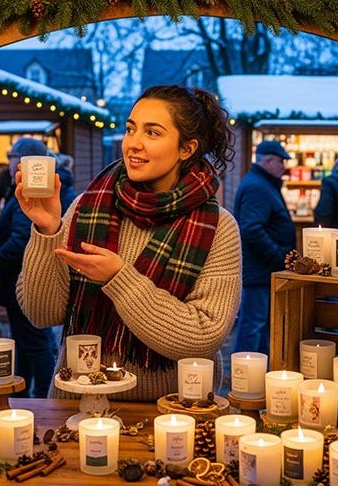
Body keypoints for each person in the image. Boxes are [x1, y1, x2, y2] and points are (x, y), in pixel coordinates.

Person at [15, 85, 242, 401]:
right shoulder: (87, 207)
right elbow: (42, 313)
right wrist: (47, 228)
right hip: (79, 407)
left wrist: (119, 278)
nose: (133, 143)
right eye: (130, 129)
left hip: (172, 413)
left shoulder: (217, 227)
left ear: (186, 149)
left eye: (152, 133)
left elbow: (202, 335)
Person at [0, 138, 77, 397]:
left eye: (12, 157)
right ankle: (24, 393)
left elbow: (19, 240)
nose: (10, 163)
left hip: (25, 279)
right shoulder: (41, 188)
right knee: (29, 342)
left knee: (35, 342)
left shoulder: (35, 191)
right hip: (26, 278)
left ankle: (41, 396)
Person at [232, 140, 296, 356]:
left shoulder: (262, 183)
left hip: (262, 269)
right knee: (254, 325)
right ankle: (244, 376)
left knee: (261, 324)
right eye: (281, 161)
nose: (283, 166)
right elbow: (251, 229)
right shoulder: (258, 187)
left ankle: (258, 374)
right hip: (259, 270)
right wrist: (278, 255)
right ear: (268, 160)